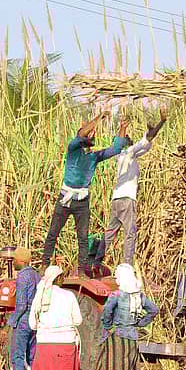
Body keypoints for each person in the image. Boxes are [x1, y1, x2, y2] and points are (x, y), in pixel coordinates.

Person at [41, 113, 128, 276]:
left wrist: (123, 127)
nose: (92, 135)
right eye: (90, 133)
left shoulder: (94, 157)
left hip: (82, 201)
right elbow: (82, 134)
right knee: (53, 233)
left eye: (93, 134)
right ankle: (44, 264)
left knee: (82, 237)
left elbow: (116, 149)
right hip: (65, 199)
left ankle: (82, 270)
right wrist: (99, 117)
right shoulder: (73, 149)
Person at [93, 110, 167, 272]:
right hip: (127, 199)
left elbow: (146, 145)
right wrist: (162, 122)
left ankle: (96, 263)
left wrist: (151, 130)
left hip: (117, 199)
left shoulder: (123, 156)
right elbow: (148, 139)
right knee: (129, 233)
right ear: (126, 143)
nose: (130, 139)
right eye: (128, 138)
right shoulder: (129, 152)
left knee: (110, 233)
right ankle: (127, 265)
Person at [93, 264, 160, 370]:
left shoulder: (116, 295)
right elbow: (154, 310)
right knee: (129, 366)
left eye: (117, 276)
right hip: (132, 338)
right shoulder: (139, 296)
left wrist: (107, 326)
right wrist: (140, 323)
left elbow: (107, 312)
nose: (116, 279)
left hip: (116, 337)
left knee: (112, 366)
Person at [28, 265, 83, 370]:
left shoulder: (40, 296)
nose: (63, 279)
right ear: (57, 278)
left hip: (45, 345)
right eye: (62, 277)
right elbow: (78, 320)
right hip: (66, 345)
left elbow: (32, 324)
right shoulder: (69, 296)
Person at [7, 247, 40, 370]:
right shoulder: (36, 275)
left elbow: (21, 305)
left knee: (18, 354)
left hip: (24, 319)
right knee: (32, 353)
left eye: (14, 259)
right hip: (34, 319)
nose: (13, 262)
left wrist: (10, 322)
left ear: (20, 261)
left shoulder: (22, 276)